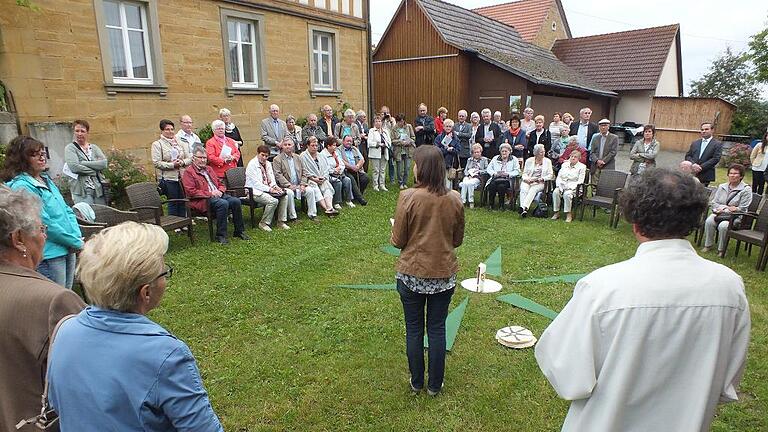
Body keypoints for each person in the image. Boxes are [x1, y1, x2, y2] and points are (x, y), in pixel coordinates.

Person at [535, 168, 750, 432]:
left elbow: (567, 374)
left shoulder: (603, 288)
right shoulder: (729, 287)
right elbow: (728, 381)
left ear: (635, 222)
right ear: (694, 218)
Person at [47, 222, 225, 431]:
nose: (166, 277)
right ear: (146, 292)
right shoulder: (166, 354)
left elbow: (58, 404)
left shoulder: (65, 329)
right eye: (163, 272)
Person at [0, 186, 86, 431]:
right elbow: (92, 380)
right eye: (41, 228)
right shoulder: (53, 301)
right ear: (18, 239)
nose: (44, 236)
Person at [391, 145, 465, 397]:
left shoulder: (408, 196)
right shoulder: (454, 198)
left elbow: (398, 240)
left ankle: (416, 381)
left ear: (421, 168)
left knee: (414, 329)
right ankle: (434, 385)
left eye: (415, 163)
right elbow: (457, 240)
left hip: (411, 273)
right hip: (443, 275)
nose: (413, 167)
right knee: (436, 329)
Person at [3, 136, 83, 288]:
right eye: (34, 154)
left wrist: (75, 236)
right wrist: (75, 242)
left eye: (42, 152)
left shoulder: (45, 179)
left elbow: (66, 209)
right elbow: (44, 222)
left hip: (67, 247)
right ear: (22, 159)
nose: (42, 157)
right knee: (55, 297)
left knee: (67, 292)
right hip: (50, 252)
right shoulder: (22, 185)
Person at [182, 147, 249, 244]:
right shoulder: (189, 172)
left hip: (218, 195)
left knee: (236, 201)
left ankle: (239, 231)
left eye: (204, 158)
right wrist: (210, 193)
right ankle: (221, 235)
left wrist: (221, 191)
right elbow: (190, 191)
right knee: (223, 204)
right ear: (193, 158)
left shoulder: (209, 169)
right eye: (200, 157)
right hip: (202, 200)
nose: (203, 160)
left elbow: (220, 183)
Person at [701, 164, 752, 257]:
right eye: (731, 173)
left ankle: (722, 250)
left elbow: (743, 208)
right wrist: (721, 208)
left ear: (741, 176)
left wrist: (727, 209)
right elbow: (714, 202)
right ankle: (708, 245)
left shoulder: (746, 190)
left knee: (723, 226)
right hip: (720, 213)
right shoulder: (722, 186)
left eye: (735, 173)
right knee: (709, 221)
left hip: (736, 217)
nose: (732, 175)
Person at [151, 119, 191, 218]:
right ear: (162, 131)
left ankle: (182, 220)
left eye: (172, 129)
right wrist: (172, 165)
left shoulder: (180, 142)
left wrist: (182, 162)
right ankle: (174, 221)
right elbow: (156, 163)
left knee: (182, 199)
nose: (170, 132)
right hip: (169, 177)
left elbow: (189, 158)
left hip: (182, 176)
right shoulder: (157, 144)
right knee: (173, 200)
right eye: (167, 129)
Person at [245, 145, 291, 231]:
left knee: (284, 196)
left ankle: (281, 222)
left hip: (267, 190)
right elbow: (256, 184)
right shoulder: (252, 164)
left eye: (266, 156)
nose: (264, 157)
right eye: (262, 155)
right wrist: (270, 189)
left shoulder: (268, 164)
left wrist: (275, 187)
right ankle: (263, 223)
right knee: (273, 201)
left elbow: (271, 179)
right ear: (258, 154)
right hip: (254, 192)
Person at [64, 119, 108, 205]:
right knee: (87, 216)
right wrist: (94, 171)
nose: (79, 134)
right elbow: (74, 167)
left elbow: (103, 164)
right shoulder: (70, 148)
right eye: (77, 131)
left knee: (102, 214)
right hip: (82, 191)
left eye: (82, 131)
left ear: (87, 133)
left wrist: (82, 162)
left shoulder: (94, 148)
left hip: (98, 189)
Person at [273, 136, 317, 221]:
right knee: (289, 193)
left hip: (299, 185)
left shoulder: (298, 157)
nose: (287, 146)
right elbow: (278, 175)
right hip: (285, 186)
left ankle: (312, 214)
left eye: (289, 144)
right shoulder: (277, 159)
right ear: (282, 146)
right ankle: (293, 217)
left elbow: (304, 172)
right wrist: (289, 185)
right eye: (285, 144)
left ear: (293, 146)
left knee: (310, 191)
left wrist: (303, 184)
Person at [300, 136, 339, 216]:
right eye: (312, 145)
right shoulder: (303, 156)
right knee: (315, 188)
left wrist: (323, 178)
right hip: (309, 179)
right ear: (307, 146)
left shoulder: (321, 155)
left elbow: (326, 168)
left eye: (316, 145)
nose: (315, 147)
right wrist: (314, 178)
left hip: (322, 178)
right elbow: (304, 170)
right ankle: (327, 209)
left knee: (327, 187)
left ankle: (330, 207)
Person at [551, 149, 586, 223]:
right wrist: (559, 185)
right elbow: (559, 177)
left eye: (575, 157)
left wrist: (570, 187)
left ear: (579, 158)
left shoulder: (582, 167)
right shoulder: (564, 165)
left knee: (567, 194)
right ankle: (556, 212)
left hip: (574, 187)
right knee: (555, 192)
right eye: (571, 156)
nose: (573, 158)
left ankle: (568, 214)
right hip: (562, 184)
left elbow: (580, 181)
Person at [519, 144, 554, 217]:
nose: (543, 153)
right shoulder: (529, 160)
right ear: (536, 153)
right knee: (524, 189)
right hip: (529, 180)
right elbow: (524, 173)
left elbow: (550, 175)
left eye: (544, 151)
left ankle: (524, 208)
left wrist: (542, 178)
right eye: (541, 152)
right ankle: (523, 209)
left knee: (533, 189)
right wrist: (527, 179)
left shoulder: (547, 161)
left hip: (540, 182)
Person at [320, 137, 355, 209]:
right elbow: (324, 168)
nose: (335, 147)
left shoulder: (335, 153)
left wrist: (340, 169)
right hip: (329, 175)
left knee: (347, 180)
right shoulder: (322, 155)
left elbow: (342, 164)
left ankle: (349, 200)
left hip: (339, 173)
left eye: (335, 145)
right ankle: (336, 202)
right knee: (338, 182)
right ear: (328, 146)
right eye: (333, 145)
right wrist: (334, 170)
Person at [684, 122, 723, 186]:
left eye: (706, 129)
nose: (704, 131)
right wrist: (693, 165)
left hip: (705, 174)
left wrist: (700, 167)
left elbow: (716, 158)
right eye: (702, 130)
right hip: (692, 173)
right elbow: (688, 156)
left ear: (712, 130)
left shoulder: (717, 144)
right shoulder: (695, 143)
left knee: (701, 194)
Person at [485, 143, 520, 210]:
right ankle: (491, 204)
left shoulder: (514, 159)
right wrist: (495, 173)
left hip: (507, 179)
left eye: (506, 151)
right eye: (502, 151)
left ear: (510, 151)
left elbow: (517, 171)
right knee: (492, 185)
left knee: (501, 186)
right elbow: (489, 169)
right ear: (500, 152)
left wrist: (507, 174)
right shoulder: (495, 158)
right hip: (495, 178)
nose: (504, 153)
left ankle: (501, 205)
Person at [338, 135, 369, 205]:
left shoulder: (354, 149)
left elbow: (362, 159)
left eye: (350, 141)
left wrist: (357, 166)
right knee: (351, 179)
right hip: (345, 170)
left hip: (357, 169)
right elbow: (341, 161)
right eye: (347, 141)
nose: (349, 143)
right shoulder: (339, 149)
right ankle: (360, 199)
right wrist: (352, 167)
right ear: (343, 141)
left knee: (365, 178)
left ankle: (357, 195)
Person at [587, 119, 618, 186]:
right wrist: (597, 161)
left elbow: (613, 152)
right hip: (595, 165)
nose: (603, 127)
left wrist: (603, 161)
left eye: (605, 125)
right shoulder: (595, 138)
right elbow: (592, 152)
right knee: (594, 185)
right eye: (601, 126)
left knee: (606, 185)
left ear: (608, 127)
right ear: (599, 127)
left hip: (608, 165)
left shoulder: (614, 138)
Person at [434, 119, 462, 189]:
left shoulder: (455, 138)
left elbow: (458, 150)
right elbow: (436, 150)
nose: (448, 128)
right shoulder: (439, 137)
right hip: (441, 162)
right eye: (447, 126)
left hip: (452, 164)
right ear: (443, 127)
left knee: (450, 182)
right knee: (441, 181)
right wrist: (446, 150)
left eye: (450, 126)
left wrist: (452, 149)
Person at [459, 143, 489, 208]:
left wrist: (478, 171)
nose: (476, 154)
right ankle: (462, 201)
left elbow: (487, 170)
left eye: (478, 152)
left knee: (468, 183)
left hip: (478, 177)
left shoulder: (484, 160)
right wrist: (468, 175)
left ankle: (471, 201)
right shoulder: (469, 160)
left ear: (481, 152)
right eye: (475, 152)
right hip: (469, 176)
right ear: (472, 153)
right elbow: (466, 170)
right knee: (465, 183)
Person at [392, 113, 416, 189]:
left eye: (402, 121)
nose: (401, 123)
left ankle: (405, 182)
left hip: (407, 150)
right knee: (399, 168)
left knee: (407, 168)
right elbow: (392, 140)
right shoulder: (394, 128)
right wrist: (400, 142)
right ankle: (400, 182)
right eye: (399, 122)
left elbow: (413, 137)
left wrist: (409, 141)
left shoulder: (409, 127)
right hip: (399, 151)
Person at [368, 116, 391, 191]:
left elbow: (389, 141)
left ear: (382, 122)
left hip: (384, 152)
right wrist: (378, 144)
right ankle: (375, 185)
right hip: (375, 153)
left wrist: (386, 144)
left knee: (383, 170)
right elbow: (369, 143)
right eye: (376, 121)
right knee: (376, 170)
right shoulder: (372, 131)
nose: (378, 123)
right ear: (374, 123)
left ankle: (382, 185)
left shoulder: (385, 131)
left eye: (379, 121)